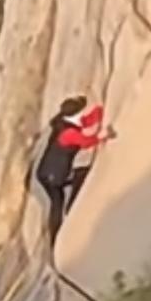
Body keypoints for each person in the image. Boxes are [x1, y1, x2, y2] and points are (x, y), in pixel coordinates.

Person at [33, 100, 116, 246]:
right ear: (76, 113)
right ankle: (57, 237)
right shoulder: (68, 133)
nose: (84, 111)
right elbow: (86, 142)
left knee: (77, 178)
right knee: (57, 202)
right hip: (53, 176)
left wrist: (98, 112)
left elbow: (88, 119)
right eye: (81, 110)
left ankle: (68, 214)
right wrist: (103, 135)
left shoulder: (66, 121)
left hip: (46, 171)